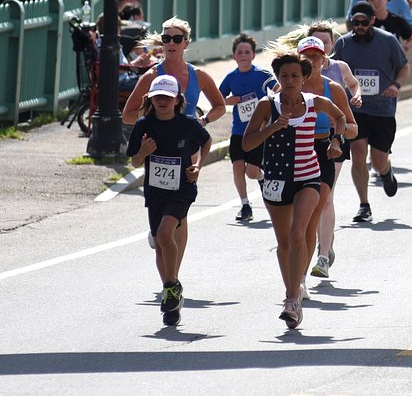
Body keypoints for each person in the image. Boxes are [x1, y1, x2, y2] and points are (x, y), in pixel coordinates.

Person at [242, 53, 347, 329]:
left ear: (304, 78)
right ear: (278, 78)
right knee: (284, 243)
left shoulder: (316, 102)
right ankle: (291, 287)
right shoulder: (268, 106)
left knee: (299, 232)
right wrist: (273, 127)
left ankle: (292, 299)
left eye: (295, 76)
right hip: (276, 180)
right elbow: (247, 144)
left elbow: (340, 118)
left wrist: (336, 141)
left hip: (308, 177)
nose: (289, 81)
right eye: (284, 76)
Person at [127, 74, 211, 326]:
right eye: (157, 97)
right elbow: (134, 160)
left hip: (182, 189)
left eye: (167, 97)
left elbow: (206, 142)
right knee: (160, 244)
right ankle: (169, 290)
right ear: (151, 100)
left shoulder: (187, 123)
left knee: (165, 235)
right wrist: (144, 151)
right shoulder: (144, 125)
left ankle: (172, 285)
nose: (162, 101)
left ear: (177, 100)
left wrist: (197, 166)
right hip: (155, 192)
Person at [333, 2, 410, 224]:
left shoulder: (387, 41)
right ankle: (364, 205)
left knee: (377, 161)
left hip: (383, 110)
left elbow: (404, 67)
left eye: (363, 23)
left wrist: (396, 85)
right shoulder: (343, 44)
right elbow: (334, 73)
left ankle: (386, 171)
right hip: (356, 109)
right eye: (355, 23)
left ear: (372, 21)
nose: (358, 27)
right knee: (357, 153)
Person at [294, 36, 358, 282]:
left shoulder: (334, 89)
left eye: (316, 57)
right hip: (293, 153)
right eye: (306, 57)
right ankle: (296, 274)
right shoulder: (286, 88)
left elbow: (353, 128)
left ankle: (304, 275)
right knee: (294, 224)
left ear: (323, 60)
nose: (311, 61)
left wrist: (338, 136)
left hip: (322, 152)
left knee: (311, 220)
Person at [123, 18, 226, 128]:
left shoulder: (199, 75)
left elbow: (220, 107)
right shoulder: (151, 76)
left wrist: (203, 120)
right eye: (166, 39)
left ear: (185, 44)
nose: (171, 43)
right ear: (163, 43)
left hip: (189, 142)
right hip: (159, 142)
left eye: (177, 39)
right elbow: (127, 116)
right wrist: (153, 116)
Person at [219, 33, 273, 223]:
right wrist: (229, 101)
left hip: (258, 132)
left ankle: (262, 177)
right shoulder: (231, 78)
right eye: (239, 52)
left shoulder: (262, 75)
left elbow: (279, 90)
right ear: (234, 56)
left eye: (247, 52)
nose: (243, 55)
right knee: (237, 166)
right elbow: (217, 100)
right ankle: (245, 205)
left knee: (251, 172)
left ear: (253, 55)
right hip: (238, 131)